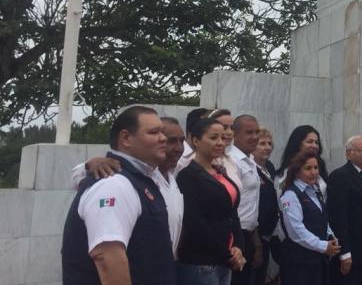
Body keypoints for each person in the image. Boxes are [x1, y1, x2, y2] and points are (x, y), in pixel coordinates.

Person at [61, 106, 176, 284]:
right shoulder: (113, 184)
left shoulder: (142, 179)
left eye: (162, 132)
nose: (163, 138)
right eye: (153, 132)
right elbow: (107, 256)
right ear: (126, 138)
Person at [71, 114, 186, 257]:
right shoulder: (130, 178)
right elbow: (107, 254)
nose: (179, 148)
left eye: (182, 141)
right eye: (171, 141)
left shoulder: (176, 172)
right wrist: (90, 164)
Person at [176, 117, 246, 285]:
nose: (220, 142)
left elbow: (232, 213)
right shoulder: (188, 176)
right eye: (213, 138)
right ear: (196, 140)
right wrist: (228, 253)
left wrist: (238, 247)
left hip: (224, 260)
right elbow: (195, 222)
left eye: (223, 138)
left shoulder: (220, 171)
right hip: (201, 262)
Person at [279, 150, 342, 285]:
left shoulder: (315, 191)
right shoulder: (290, 195)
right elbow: (296, 231)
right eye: (308, 168)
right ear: (296, 171)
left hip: (318, 259)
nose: (314, 172)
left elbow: (322, 218)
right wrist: (323, 245)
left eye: (316, 168)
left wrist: (331, 236)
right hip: (300, 263)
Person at [327, 135, 362, 285]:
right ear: (348, 153)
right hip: (350, 251)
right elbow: (338, 218)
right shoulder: (340, 176)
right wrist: (344, 253)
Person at [229, 115, 262, 285]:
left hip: (249, 234)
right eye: (249, 132)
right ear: (234, 134)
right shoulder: (232, 161)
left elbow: (251, 203)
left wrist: (256, 242)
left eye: (257, 132)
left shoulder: (250, 160)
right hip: (234, 235)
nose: (255, 137)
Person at [252, 127, 279, 285]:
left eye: (269, 143)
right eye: (262, 143)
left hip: (271, 233)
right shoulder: (249, 168)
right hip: (255, 236)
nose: (267, 147)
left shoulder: (270, 167)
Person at [277, 125, 328, 194]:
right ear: (298, 143)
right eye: (310, 142)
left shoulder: (321, 166)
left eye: (316, 142)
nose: (314, 146)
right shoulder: (285, 173)